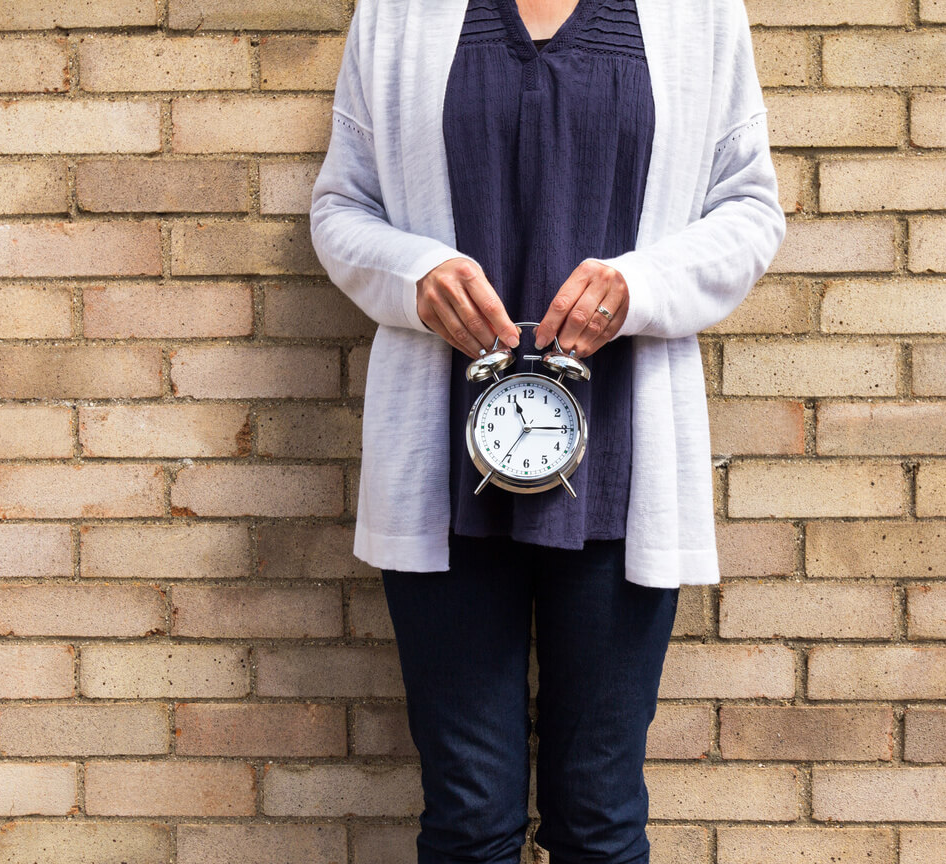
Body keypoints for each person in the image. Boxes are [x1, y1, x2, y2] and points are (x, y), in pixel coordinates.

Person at [309, 0, 785, 861]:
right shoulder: (400, 14)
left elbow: (751, 212)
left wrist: (641, 286)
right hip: (448, 480)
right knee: (467, 822)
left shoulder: (697, 14)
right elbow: (342, 206)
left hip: (621, 469)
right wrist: (416, 273)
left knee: (600, 824)